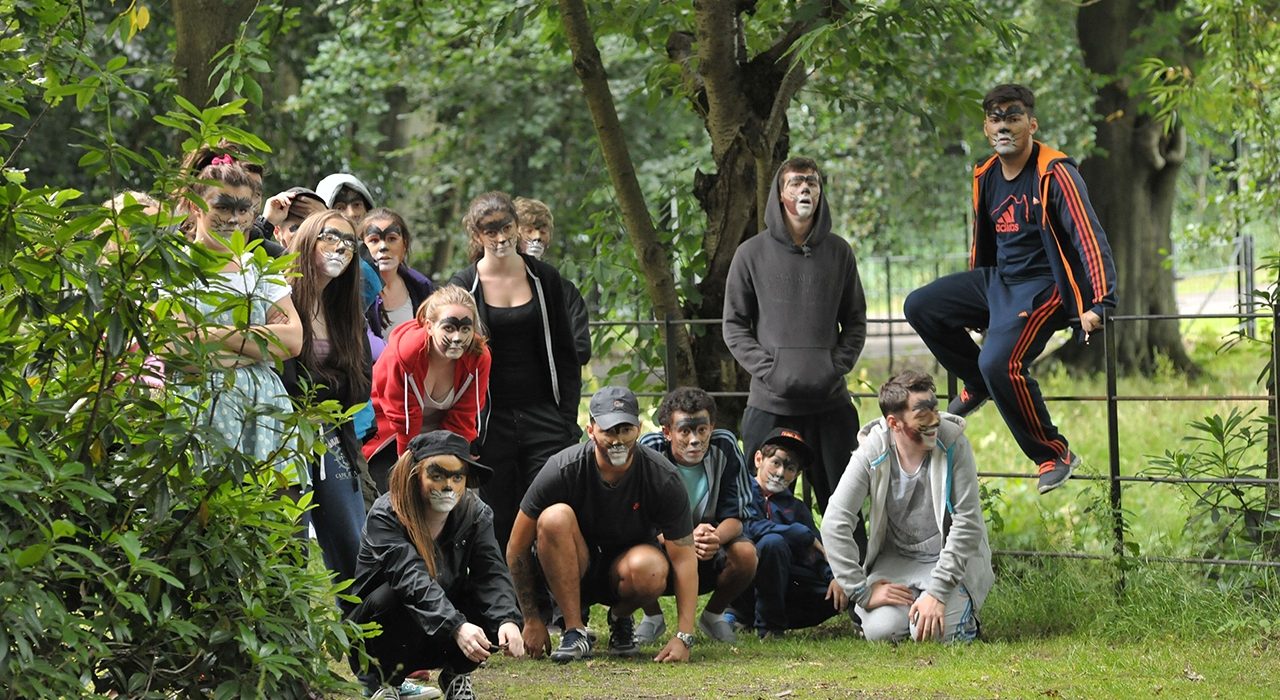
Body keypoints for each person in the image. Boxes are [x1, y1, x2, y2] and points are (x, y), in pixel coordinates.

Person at [903, 84, 1117, 494]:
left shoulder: (1055, 172)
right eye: (996, 118)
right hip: (998, 282)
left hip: (1044, 286)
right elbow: (982, 240)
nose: (1004, 125)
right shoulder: (985, 174)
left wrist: (1101, 302)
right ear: (986, 127)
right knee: (921, 305)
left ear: (1031, 124)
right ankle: (978, 382)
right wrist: (982, 307)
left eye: (1014, 117)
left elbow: (1090, 237)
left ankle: (1053, 453)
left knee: (999, 362)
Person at [506, 387, 697, 664]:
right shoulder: (561, 468)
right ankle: (574, 630)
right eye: (609, 430)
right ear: (591, 429)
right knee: (554, 517)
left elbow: (684, 558)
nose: (617, 440)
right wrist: (531, 618)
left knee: (652, 569)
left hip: (629, 571)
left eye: (625, 429)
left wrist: (684, 636)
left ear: (639, 429)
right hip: (572, 566)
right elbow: (516, 546)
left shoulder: (662, 476)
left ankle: (620, 616)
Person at [722, 156, 869, 516]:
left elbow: (855, 321)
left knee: (844, 507)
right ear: (779, 193)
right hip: (771, 402)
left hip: (830, 402)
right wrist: (772, 370)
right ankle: (773, 572)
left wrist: (833, 366)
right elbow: (735, 325)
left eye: (813, 183)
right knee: (758, 505)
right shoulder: (750, 254)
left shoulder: (839, 252)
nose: (805, 188)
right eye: (796, 182)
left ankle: (848, 574)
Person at [450, 192, 581, 554]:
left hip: (545, 414)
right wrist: (468, 428)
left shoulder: (545, 279)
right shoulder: (463, 286)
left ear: (517, 227)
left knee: (551, 512)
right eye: (489, 231)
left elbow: (568, 356)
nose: (500, 237)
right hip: (492, 423)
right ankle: (510, 606)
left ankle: (556, 605)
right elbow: (451, 362)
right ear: (477, 236)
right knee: (501, 518)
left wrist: (567, 418)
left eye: (506, 227)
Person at [349, 431, 525, 699]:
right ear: (415, 475)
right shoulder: (387, 515)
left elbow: (491, 573)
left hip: (439, 630)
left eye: (457, 477)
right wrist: (456, 626)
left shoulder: (475, 513)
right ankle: (384, 683)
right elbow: (411, 580)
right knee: (393, 596)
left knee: (490, 603)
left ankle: (456, 673)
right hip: (380, 635)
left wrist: (507, 620)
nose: (448, 486)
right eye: (437, 475)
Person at [820, 370, 993, 643]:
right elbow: (834, 521)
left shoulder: (953, 443)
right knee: (880, 631)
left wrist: (937, 593)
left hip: (946, 559)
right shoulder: (873, 450)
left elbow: (967, 524)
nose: (935, 419)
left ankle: (961, 618)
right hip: (898, 559)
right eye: (922, 413)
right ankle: (913, 607)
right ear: (894, 422)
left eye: (934, 408)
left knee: (931, 635)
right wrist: (861, 591)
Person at [176, 151, 303, 478]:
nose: (234, 219)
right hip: (194, 417)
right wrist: (258, 348)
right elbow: (178, 353)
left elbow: (293, 340)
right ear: (194, 205)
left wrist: (213, 334)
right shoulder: (175, 269)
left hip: (263, 419)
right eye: (222, 207)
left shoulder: (262, 270)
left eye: (243, 209)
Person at [280, 210, 372, 590]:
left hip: (333, 435)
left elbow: (359, 383)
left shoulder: (345, 309)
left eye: (350, 243)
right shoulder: (278, 295)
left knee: (354, 543)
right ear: (307, 239)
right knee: (287, 544)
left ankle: (362, 645)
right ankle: (289, 643)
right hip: (284, 436)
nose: (341, 248)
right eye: (331, 237)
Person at [634, 387, 756, 643]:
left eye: (702, 430)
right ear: (667, 432)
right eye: (685, 431)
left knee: (746, 555)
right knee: (634, 552)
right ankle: (652, 616)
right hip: (661, 543)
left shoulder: (725, 445)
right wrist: (685, 537)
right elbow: (638, 519)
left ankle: (713, 615)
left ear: (711, 427)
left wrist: (715, 538)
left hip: (708, 547)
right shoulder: (649, 449)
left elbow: (738, 516)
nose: (695, 440)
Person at [362, 285, 492, 494]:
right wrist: (409, 470)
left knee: (459, 497)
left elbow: (465, 415)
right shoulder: (406, 353)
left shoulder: (479, 357)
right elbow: (402, 419)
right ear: (430, 327)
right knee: (395, 495)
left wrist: (449, 457)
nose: (458, 337)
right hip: (391, 432)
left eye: (465, 329)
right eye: (449, 328)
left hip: (442, 433)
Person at [743, 428, 849, 638]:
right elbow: (748, 527)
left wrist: (834, 578)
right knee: (772, 543)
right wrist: (799, 533)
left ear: (797, 474)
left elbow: (815, 551)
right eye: (776, 462)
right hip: (744, 578)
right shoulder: (740, 490)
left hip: (787, 580)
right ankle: (767, 627)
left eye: (790, 467)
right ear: (758, 459)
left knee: (838, 593)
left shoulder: (796, 508)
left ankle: (775, 616)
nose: (781, 472)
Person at [513, 196, 591, 366]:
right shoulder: (497, 287)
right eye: (529, 230)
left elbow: (582, 349)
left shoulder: (566, 291)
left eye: (542, 231)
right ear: (514, 233)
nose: (537, 237)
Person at [362, 207, 436, 343]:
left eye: (392, 239)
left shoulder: (421, 288)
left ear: (405, 245)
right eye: (374, 240)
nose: (383, 246)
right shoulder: (356, 291)